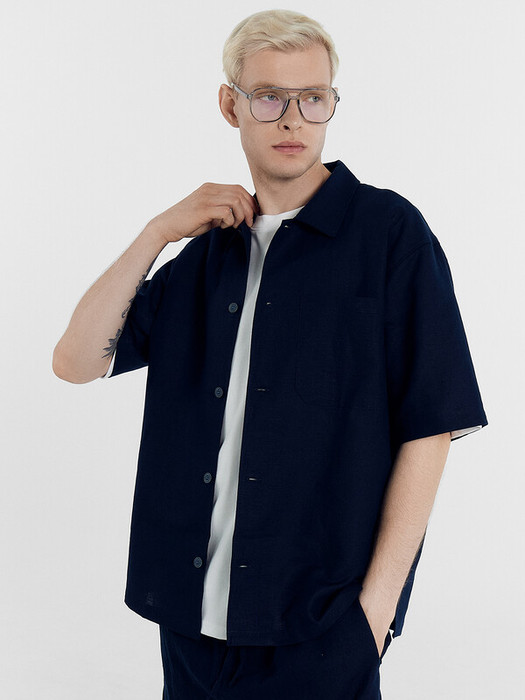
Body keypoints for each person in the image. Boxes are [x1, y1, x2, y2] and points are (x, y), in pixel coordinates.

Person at [52, 9, 488, 699]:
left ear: (331, 104)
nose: (292, 120)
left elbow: (431, 424)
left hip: (321, 627)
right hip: (191, 626)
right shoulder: (206, 254)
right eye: (268, 97)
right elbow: (76, 361)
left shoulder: (388, 233)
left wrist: (374, 616)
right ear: (231, 106)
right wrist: (157, 232)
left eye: (312, 98)